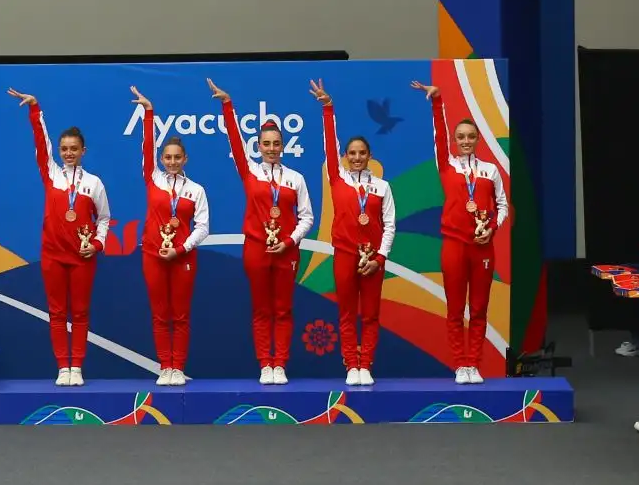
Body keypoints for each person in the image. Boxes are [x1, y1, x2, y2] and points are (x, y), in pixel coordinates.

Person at [208, 79, 314, 384]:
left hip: (287, 251)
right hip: (255, 247)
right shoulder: (250, 170)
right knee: (261, 308)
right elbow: (235, 142)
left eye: (275, 144)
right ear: (258, 146)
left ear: (283, 146)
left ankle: (279, 363)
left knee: (282, 309)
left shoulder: (296, 178)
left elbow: (307, 217)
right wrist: (227, 105)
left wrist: (290, 241)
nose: (271, 149)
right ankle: (264, 364)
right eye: (265, 144)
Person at [8, 88, 112, 386]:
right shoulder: (52, 174)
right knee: (56, 312)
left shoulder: (94, 183)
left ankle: (76, 366)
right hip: (53, 255)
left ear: (83, 151)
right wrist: (35, 110)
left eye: (73, 149)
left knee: (79, 312)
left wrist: (96, 244)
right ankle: (61, 367)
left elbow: (104, 219)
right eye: (64, 148)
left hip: (81, 258)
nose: (68, 153)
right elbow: (40, 144)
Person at [413, 80, 509, 384]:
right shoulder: (447, 165)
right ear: (455, 141)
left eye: (470, 137)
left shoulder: (490, 170)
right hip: (453, 245)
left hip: (482, 247)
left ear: (478, 139)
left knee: (479, 308)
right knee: (456, 308)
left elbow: (503, 206)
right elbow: (438, 136)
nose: (465, 141)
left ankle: (474, 364)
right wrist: (437, 101)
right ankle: (459, 365)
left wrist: (491, 230)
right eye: (460, 137)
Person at [312, 80, 396, 386]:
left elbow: (390, 225)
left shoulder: (382, 187)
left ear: (369, 155)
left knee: (371, 315)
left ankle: (366, 364)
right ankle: (351, 365)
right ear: (346, 156)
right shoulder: (338, 179)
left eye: (362, 152)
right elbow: (329, 145)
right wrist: (327, 107)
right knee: (347, 313)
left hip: (373, 259)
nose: (357, 157)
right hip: (345, 255)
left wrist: (380, 257)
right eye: (352, 153)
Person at [128, 87, 209, 386]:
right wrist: (149, 112)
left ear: (185, 159)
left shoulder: (196, 190)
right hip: (152, 255)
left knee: (181, 315)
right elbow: (146, 147)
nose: (172, 161)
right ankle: (165, 367)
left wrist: (182, 248)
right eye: (168, 157)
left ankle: (179, 367)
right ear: (161, 159)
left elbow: (203, 227)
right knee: (161, 314)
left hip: (182, 258)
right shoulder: (154, 179)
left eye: (177, 157)